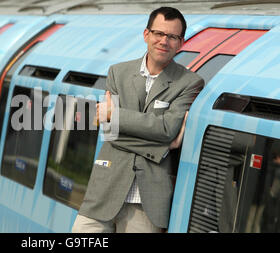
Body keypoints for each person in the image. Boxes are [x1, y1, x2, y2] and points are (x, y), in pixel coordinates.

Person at [72, 6, 204, 233]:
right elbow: (110, 133)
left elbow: (166, 129)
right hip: (103, 192)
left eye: (172, 36)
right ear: (146, 35)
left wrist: (115, 114)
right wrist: (163, 146)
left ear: (181, 42)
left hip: (147, 203)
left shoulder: (190, 82)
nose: (164, 41)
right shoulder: (117, 72)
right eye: (159, 34)